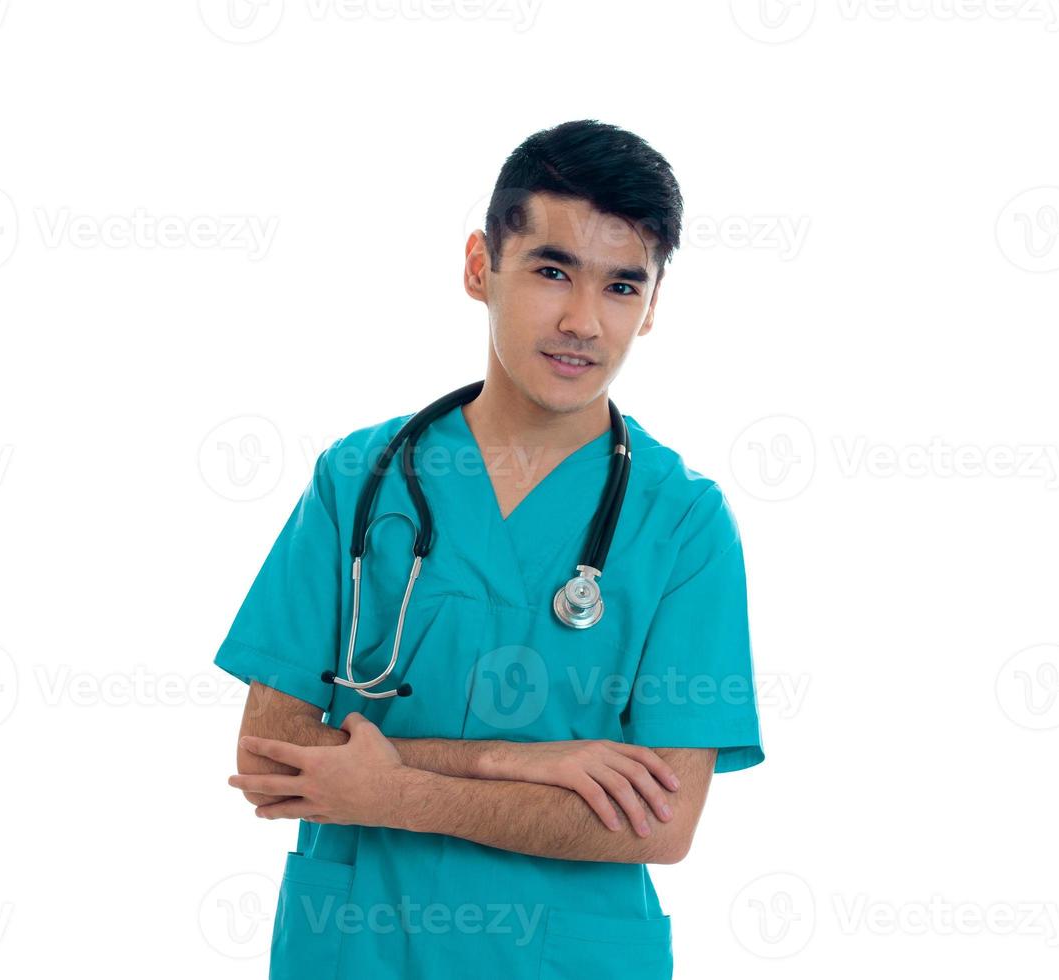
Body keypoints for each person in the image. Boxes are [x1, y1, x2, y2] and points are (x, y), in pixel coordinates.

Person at [214, 118, 765, 979]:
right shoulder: (358, 480)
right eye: (553, 271)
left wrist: (390, 788)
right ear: (481, 267)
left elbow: (661, 822)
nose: (583, 321)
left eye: (622, 287)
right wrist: (519, 760)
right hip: (356, 948)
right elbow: (271, 758)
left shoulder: (685, 522)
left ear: (652, 306)